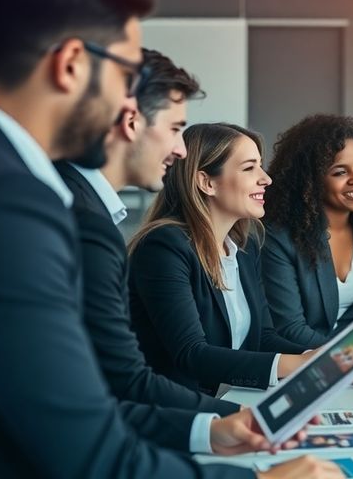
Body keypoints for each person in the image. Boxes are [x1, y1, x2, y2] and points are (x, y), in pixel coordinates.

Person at [0, 0, 338, 477]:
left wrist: (208, 429)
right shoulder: (5, 203)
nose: (129, 104)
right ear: (71, 66)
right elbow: (85, 450)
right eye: (126, 74)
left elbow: (68, 405)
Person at [55, 48, 254, 456]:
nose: (182, 149)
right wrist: (234, 417)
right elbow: (122, 378)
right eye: (177, 128)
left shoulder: (83, 205)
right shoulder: (87, 223)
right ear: (131, 121)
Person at [127, 123, 312, 395]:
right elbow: (192, 354)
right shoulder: (163, 247)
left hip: (231, 398)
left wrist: (318, 356)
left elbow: (263, 337)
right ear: (207, 182)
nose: (266, 178)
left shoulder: (243, 248)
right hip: (177, 411)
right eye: (249, 168)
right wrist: (297, 364)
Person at [261, 114, 353, 349]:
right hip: (302, 366)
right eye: (339, 172)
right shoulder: (279, 238)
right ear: (310, 182)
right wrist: (348, 358)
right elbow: (289, 329)